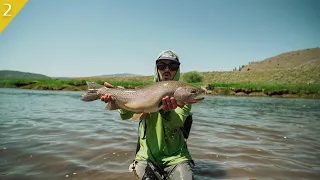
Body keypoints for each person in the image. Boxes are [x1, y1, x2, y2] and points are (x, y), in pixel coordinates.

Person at [101, 50, 195, 180]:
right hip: (146, 157)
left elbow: (177, 122)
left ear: (178, 69)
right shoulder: (144, 91)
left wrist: (166, 110)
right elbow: (126, 115)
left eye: (172, 66)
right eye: (162, 65)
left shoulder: (184, 94)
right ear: (156, 68)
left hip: (177, 156)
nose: (167, 69)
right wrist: (116, 98)